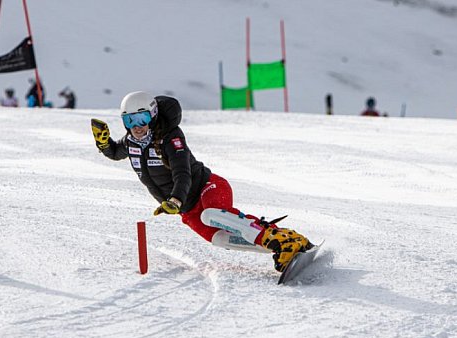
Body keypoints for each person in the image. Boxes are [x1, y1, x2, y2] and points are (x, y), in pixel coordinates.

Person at [90, 91, 313, 272]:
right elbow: (115, 152)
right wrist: (103, 143)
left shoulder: (170, 138)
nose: (136, 126)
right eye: (129, 120)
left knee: (213, 215)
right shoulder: (131, 142)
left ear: (153, 115)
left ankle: (282, 240)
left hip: (207, 187)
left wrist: (176, 199)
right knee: (222, 239)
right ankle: (284, 246)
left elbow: (182, 172)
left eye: (142, 119)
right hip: (187, 210)